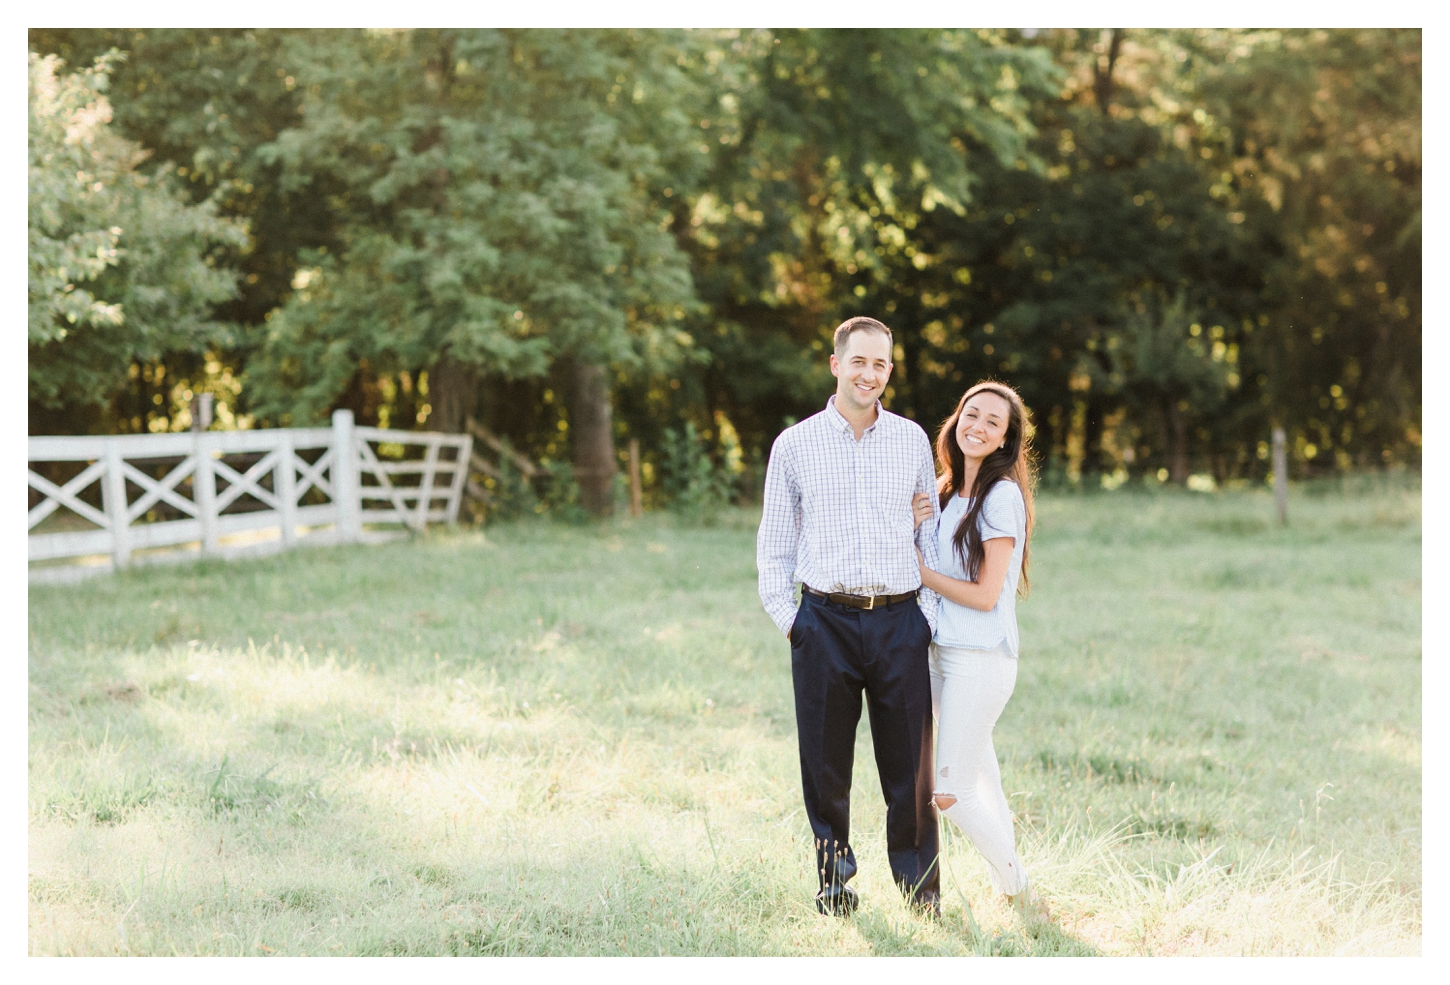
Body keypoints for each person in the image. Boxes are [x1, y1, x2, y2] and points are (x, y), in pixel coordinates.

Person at [757, 316, 944, 917]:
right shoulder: (794, 444)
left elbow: (932, 532)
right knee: (825, 767)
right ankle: (834, 885)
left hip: (899, 620)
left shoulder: (912, 439)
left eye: (881, 364)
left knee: (909, 771)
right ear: (836, 364)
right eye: (859, 362)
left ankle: (920, 893)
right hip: (823, 623)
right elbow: (775, 544)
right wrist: (793, 620)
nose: (870, 374)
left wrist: (928, 618)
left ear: (890, 370)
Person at [910, 380, 1046, 921]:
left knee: (950, 791)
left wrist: (923, 575)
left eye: (994, 422)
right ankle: (1012, 895)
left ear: (1006, 439)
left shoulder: (1001, 495)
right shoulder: (945, 490)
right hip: (941, 657)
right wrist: (922, 520)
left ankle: (1020, 888)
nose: (979, 426)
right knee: (982, 778)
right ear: (956, 419)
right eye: (973, 414)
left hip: (981, 660)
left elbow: (989, 595)